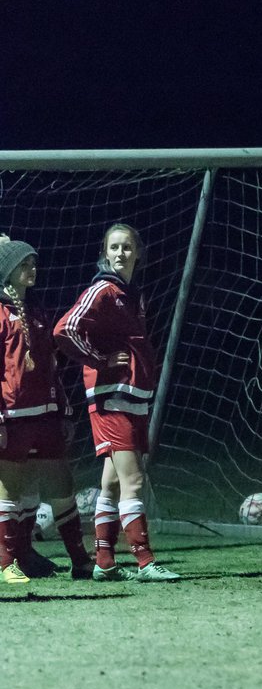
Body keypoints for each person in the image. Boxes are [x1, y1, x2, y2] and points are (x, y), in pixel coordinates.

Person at [53, 224, 180, 582]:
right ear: (104, 253)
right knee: (133, 481)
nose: (121, 253)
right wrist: (99, 358)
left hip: (132, 395)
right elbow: (65, 329)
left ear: (138, 252)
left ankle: (104, 561)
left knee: (110, 483)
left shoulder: (131, 292)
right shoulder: (103, 290)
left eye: (127, 247)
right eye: (114, 247)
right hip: (113, 398)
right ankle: (145, 560)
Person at [0, 237, 94, 583]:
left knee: (61, 485)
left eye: (33, 263)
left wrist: (64, 408)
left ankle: (81, 561)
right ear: (7, 271)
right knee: (11, 490)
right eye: (24, 264)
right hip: (13, 418)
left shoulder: (37, 311)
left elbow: (51, 367)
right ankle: (8, 563)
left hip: (46, 415)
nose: (32, 269)